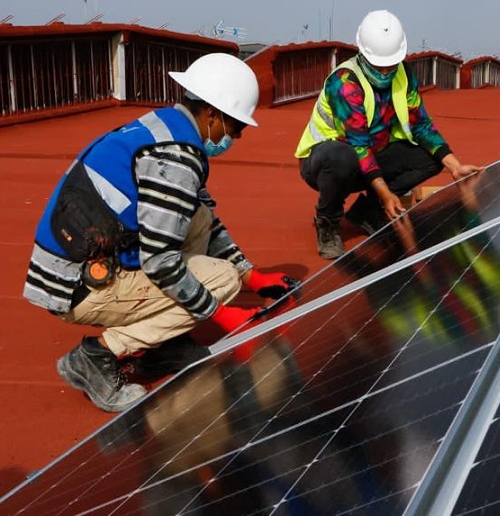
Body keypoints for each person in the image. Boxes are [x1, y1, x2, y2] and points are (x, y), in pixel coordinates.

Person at [23, 52, 297, 412]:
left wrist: (253, 276)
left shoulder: (164, 126)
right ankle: (98, 355)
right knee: (221, 281)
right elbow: (161, 263)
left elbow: (203, 220)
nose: (237, 136)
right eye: (236, 126)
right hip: (76, 287)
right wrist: (218, 312)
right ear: (212, 114)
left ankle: (162, 346)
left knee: (196, 216)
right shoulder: (175, 157)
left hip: (77, 267)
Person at [295, 9, 480, 259]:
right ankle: (328, 222)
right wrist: (387, 193)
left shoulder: (403, 74)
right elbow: (358, 145)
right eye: (378, 66)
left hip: (371, 157)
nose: (384, 72)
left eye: (389, 66)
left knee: (431, 157)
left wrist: (454, 166)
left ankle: (368, 211)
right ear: (362, 54)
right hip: (326, 163)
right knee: (342, 157)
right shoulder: (345, 82)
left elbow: (421, 124)